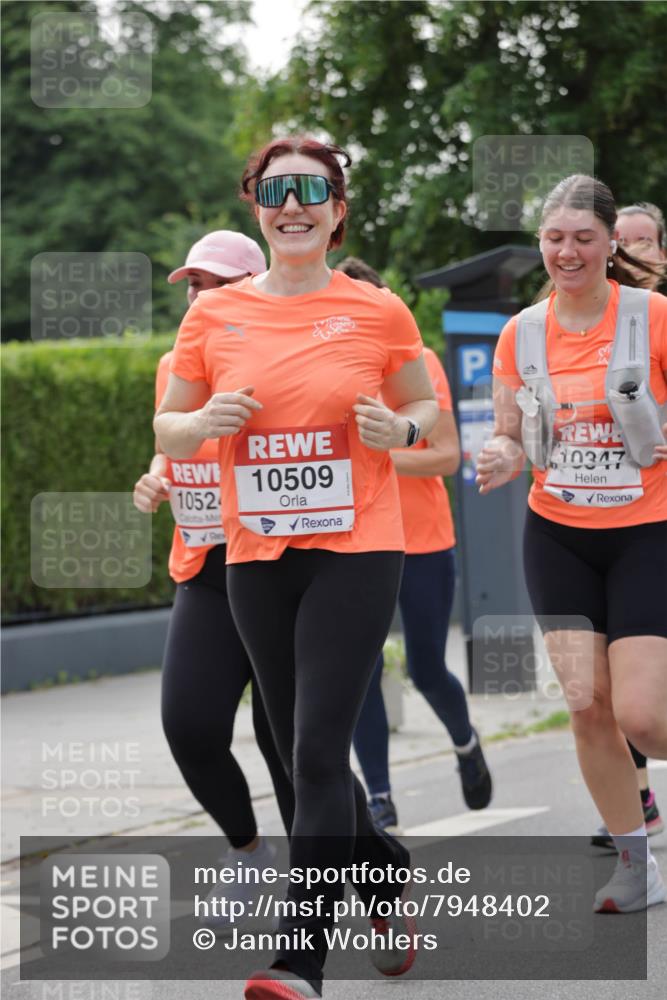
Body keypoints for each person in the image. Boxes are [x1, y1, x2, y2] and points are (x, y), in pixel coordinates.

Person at [154, 138, 439, 1000]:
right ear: (257, 207)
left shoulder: (377, 309)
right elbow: (169, 431)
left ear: (337, 208)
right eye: (277, 191)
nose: (295, 204)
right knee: (289, 748)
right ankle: (385, 876)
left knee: (315, 752)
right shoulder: (211, 317)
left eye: (312, 190)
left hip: (356, 551)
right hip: (254, 557)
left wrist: (404, 431)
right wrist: (202, 417)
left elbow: (424, 403)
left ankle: (299, 961)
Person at [476, 174, 667, 914]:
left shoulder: (651, 317)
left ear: (608, 242)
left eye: (583, 237)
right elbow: (508, 433)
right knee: (587, 706)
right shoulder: (520, 332)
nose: (567, 251)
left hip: (646, 528)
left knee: (643, 717)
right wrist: (499, 454)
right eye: (554, 238)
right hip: (557, 531)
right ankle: (635, 861)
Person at [133, 231, 295, 929]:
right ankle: (248, 850)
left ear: (253, 289)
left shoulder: (286, 361)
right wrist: (156, 478)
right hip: (204, 568)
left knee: (287, 740)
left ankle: (342, 878)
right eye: (192, 285)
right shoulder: (176, 360)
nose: (197, 296)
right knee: (189, 725)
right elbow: (170, 441)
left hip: (284, 568)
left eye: (215, 284)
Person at [336, 258, 492, 832]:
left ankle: (466, 742)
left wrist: (380, 456)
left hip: (422, 541)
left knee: (427, 669)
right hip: (355, 543)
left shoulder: (417, 363)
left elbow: (448, 456)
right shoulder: (331, 372)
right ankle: (379, 797)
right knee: (363, 671)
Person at [589, 203, 666, 849]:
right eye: (625, 241)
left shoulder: (661, 319)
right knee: (610, 683)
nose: (636, 251)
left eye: (646, 242)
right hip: (615, 520)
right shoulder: (586, 319)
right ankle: (632, 794)